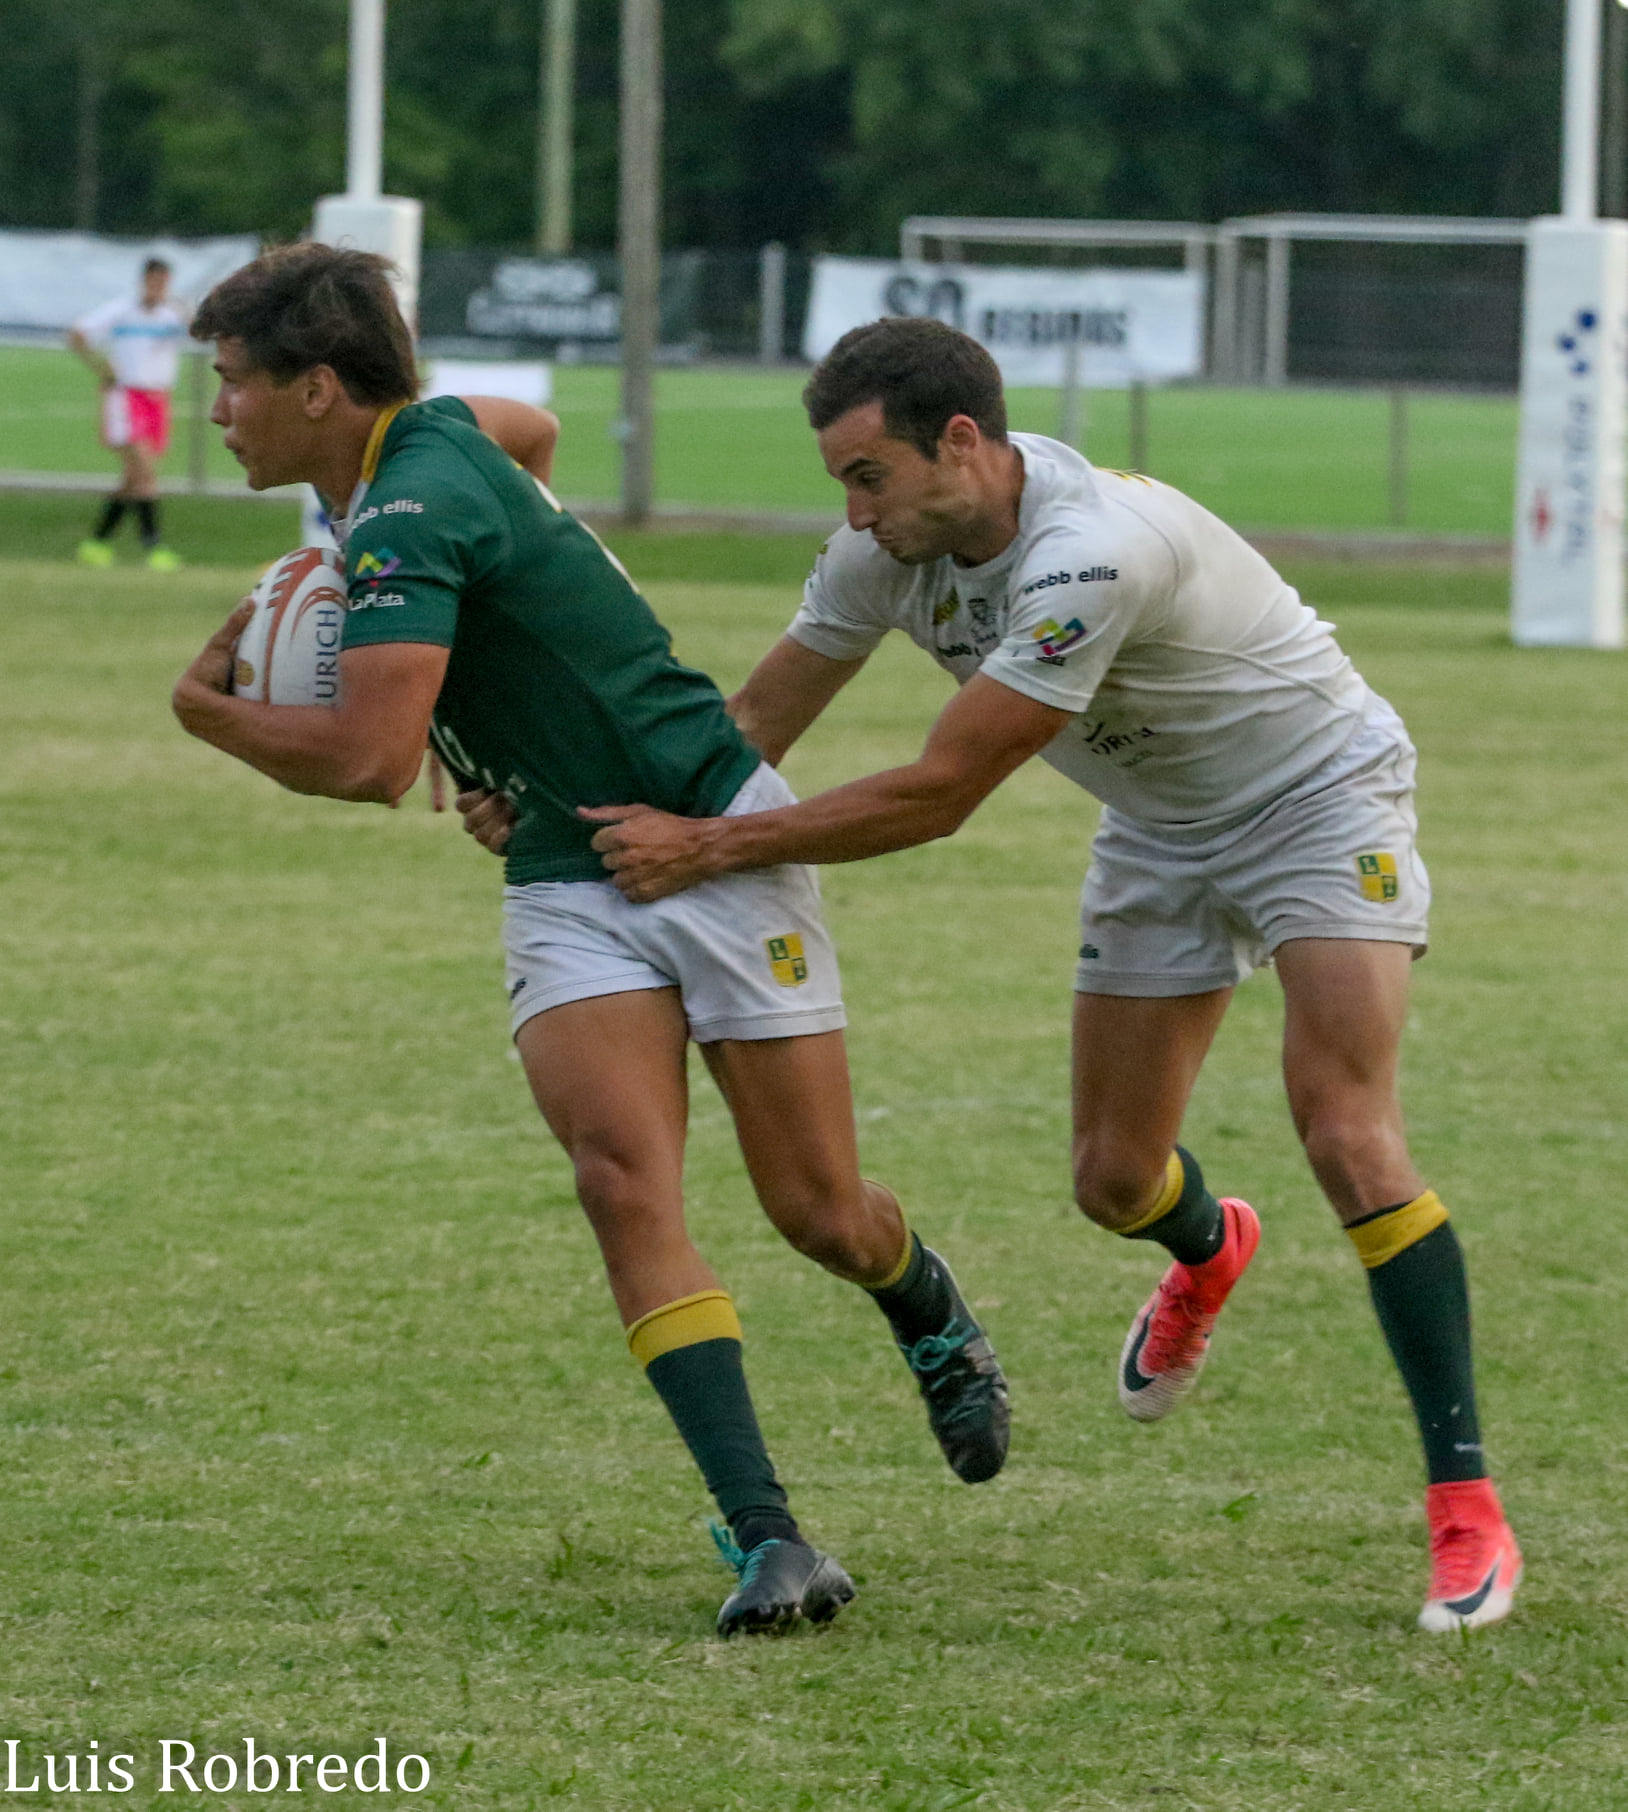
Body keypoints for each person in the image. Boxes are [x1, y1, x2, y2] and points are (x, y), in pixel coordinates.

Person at [488, 316, 1520, 1634]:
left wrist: (710, 846)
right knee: (1110, 1180)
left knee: (1345, 1126)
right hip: (1157, 830)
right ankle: (1206, 1244)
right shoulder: (883, 550)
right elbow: (747, 728)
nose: (851, 512)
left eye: (866, 475)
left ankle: (1465, 1515)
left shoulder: (1092, 554)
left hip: (1320, 802)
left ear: (960, 445)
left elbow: (940, 791)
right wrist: (578, 806)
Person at [170, 249, 1008, 1638]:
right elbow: (535, 440)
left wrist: (208, 705)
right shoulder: (423, 448)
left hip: (715, 829)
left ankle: (920, 1297)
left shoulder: (413, 508)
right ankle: (770, 1539)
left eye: (233, 385)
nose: (219, 414)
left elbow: (372, 763)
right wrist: (501, 735)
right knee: (624, 1179)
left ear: (316, 387)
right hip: (570, 873)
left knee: (818, 1209)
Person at [69, 256, 188, 571]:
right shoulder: (121, 310)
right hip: (126, 397)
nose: (158, 288)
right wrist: (102, 368)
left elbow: (199, 332)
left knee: (134, 478)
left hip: (157, 399)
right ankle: (154, 545)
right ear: (144, 280)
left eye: (163, 282)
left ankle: (96, 542)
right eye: (154, 281)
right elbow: (78, 335)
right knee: (146, 473)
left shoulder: (171, 314)